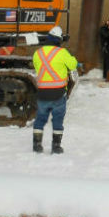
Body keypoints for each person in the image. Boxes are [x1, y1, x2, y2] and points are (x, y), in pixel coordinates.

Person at [32, 25, 78, 154]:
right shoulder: (62, 53)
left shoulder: (37, 53)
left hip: (42, 93)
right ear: (59, 40)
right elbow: (73, 65)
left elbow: (37, 69)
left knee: (40, 119)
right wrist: (71, 57)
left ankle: (37, 144)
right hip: (58, 93)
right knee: (58, 119)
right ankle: (56, 146)